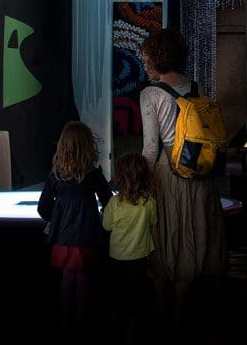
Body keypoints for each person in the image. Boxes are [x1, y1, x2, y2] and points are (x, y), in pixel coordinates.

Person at [139, 27, 226, 329]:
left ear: (156, 57)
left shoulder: (150, 94)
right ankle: (181, 312)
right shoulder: (195, 87)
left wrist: (134, 181)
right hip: (198, 175)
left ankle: (161, 311)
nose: (143, 59)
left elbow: (151, 148)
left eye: (146, 54)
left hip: (167, 174)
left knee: (167, 238)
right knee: (193, 234)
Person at [37, 121, 112, 335]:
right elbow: (108, 200)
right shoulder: (93, 174)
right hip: (87, 235)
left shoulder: (56, 175)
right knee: (84, 278)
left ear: (63, 145)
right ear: (88, 145)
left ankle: (65, 322)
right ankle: (82, 322)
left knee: (67, 277)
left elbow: (43, 208)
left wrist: (57, 219)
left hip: (63, 237)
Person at [103, 152, 158, 340]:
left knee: (116, 295)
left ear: (120, 176)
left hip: (117, 258)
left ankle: (114, 328)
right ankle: (131, 335)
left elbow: (106, 226)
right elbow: (153, 222)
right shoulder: (149, 202)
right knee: (136, 299)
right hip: (140, 259)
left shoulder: (113, 203)